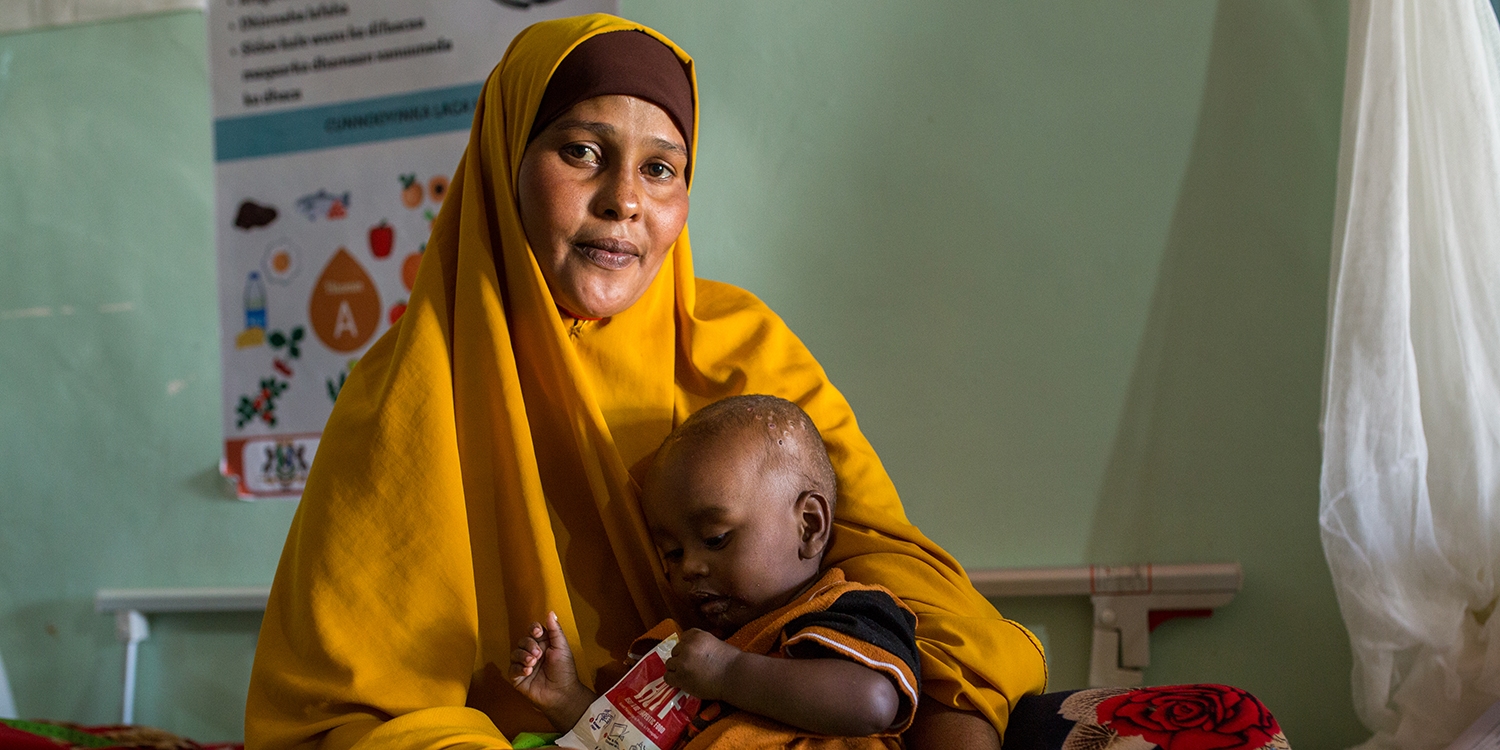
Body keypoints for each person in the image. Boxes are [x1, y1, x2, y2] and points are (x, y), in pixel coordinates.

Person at [245, 13, 1045, 750]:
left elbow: (900, 585)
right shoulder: (405, 393)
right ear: (503, 163)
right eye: (581, 152)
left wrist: (953, 715)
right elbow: (347, 715)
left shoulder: (742, 347)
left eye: (661, 168)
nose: (624, 200)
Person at [509, 395, 922, 747]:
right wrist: (566, 701)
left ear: (809, 525)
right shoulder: (688, 652)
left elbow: (873, 703)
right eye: (670, 553)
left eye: (716, 539)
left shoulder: (845, 611)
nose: (688, 567)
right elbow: (631, 742)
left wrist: (728, 673)